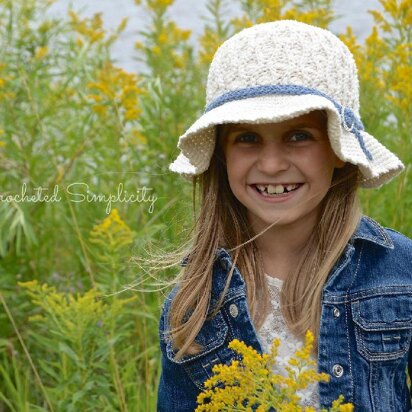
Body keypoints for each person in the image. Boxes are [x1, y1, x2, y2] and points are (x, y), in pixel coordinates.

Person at [157, 20, 412, 411]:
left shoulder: (399, 271)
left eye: (299, 136)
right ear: (222, 155)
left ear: (337, 151)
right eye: (247, 138)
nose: (272, 165)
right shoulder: (194, 303)